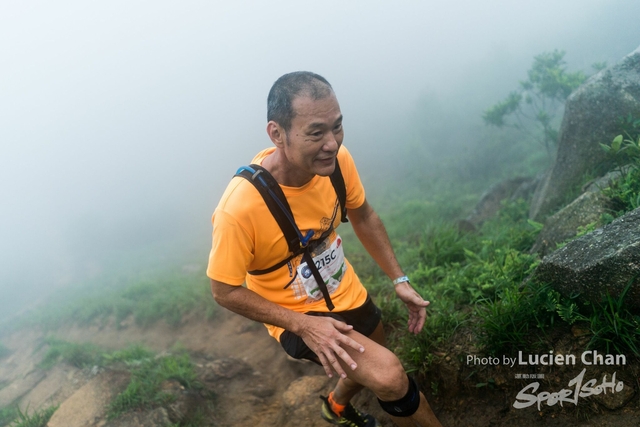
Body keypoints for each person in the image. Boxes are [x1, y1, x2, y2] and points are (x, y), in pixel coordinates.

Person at [208, 71, 443, 427]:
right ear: (277, 134)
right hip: (295, 314)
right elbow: (223, 290)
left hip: (347, 291)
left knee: (375, 361)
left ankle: (335, 407)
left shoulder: (336, 163)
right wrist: (303, 326)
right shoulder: (239, 209)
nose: (331, 143)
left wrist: (399, 279)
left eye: (337, 127)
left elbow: (363, 215)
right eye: (316, 133)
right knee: (390, 376)